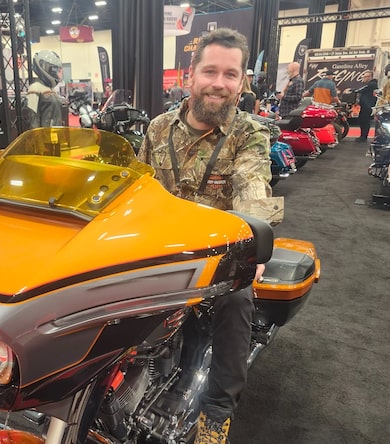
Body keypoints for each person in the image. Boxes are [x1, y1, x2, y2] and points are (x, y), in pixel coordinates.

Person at [137, 27, 283, 444]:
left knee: (237, 300)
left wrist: (250, 245)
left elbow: (253, 188)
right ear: (191, 76)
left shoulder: (249, 133)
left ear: (242, 82)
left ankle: (216, 413)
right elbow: (137, 186)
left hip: (220, 255)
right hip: (161, 248)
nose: (219, 83)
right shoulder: (158, 128)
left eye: (230, 74)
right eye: (210, 71)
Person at [27, 50, 64, 128]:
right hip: (45, 134)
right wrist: (37, 134)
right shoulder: (35, 88)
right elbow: (33, 117)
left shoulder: (50, 89)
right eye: (53, 69)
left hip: (55, 132)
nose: (55, 72)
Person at [353, 70, 378, 142]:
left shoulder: (372, 84)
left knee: (365, 121)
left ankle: (363, 137)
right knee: (362, 120)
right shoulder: (371, 84)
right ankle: (363, 136)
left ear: (370, 77)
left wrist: (352, 90)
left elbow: (361, 90)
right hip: (365, 105)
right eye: (364, 76)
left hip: (367, 106)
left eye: (366, 77)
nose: (364, 78)